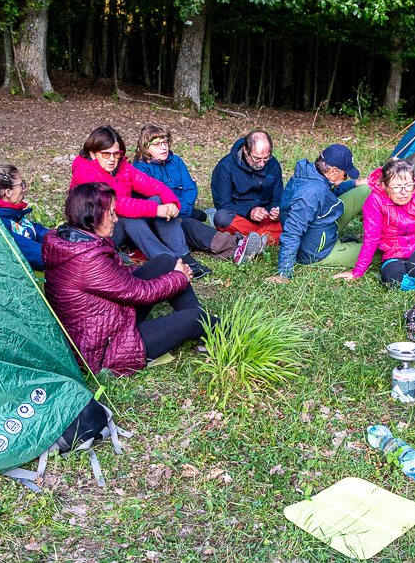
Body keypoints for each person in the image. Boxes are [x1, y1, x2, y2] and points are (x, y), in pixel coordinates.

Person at [43, 182, 212, 376]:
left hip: (107, 319)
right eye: (112, 213)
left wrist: (171, 272)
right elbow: (139, 293)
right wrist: (179, 277)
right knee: (194, 319)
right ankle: (226, 335)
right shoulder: (88, 259)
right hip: (105, 349)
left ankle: (207, 333)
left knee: (165, 261)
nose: (116, 219)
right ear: (93, 218)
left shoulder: (74, 240)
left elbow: (115, 277)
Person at [69, 125, 210, 278]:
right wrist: (157, 209)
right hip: (97, 235)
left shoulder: (123, 168)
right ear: (93, 153)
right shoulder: (84, 172)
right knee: (126, 215)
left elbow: (152, 185)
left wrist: (171, 202)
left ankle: (183, 254)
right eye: (105, 154)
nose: (111, 159)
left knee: (157, 198)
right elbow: (118, 204)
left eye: (116, 154)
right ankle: (169, 262)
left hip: (120, 229)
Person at [131, 124, 266, 265]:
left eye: (165, 142)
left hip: (180, 210)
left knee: (194, 221)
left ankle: (238, 247)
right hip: (160, 219)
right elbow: (150, 200)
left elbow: (190, 188)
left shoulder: (176, 161)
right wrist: (175, 212)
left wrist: (181, 209)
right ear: (146, 147)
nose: (164, 147)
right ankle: (237, 245)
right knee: (190, 226)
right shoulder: (139, 168)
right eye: (157, 144)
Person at [333, 158, 415, 289]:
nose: (404, 192)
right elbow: (371, 239)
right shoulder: (375, 201)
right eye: (397, 187)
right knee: (390, 278)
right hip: (395, 251)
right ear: (384, 186)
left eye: (408, 185)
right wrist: (357, 272)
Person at [269, 144, 371, 282]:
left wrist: (356, 183)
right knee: (378, 252)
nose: (346, 178)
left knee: (365, 190)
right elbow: (292, 232)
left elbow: (329, 191)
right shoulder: (310, 194)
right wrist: (284, 274)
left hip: (325, 222)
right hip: (317, 251)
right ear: (333, 171)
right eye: (345, 175)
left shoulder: (313, 174)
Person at [209, 130, 284, 244]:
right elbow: (223, 205)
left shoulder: (273, 164)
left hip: (266, 218)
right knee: (221, 218)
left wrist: (276, 211)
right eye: (257, 158)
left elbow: (277, 197)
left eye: (266, 158)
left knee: (291, 214)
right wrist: (250, 212)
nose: (262, 164)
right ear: (245, 150)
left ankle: (251, 240)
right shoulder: (225, 167)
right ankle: (265, 238)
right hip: (242, 217)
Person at [0, 163, 49, 270]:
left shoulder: (12, 213)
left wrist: (66, 237)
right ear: (8, 192)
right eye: (21, 185)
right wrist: (70, 253)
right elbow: (36, 255)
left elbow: (37, 230)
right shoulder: (0, 223)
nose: (24, 189)